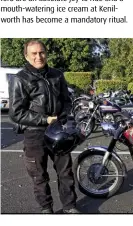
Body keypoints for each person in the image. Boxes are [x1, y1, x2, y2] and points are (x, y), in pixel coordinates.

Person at [8, 40, 81, 214]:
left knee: (65, 173)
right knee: (39, 176)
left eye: (41, 52)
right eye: (33, 54)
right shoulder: (20, 78)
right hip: (34, 134)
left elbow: (66, 101)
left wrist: (63, 118)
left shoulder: (57, 74)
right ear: (26, 56)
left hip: (58, 132)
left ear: (46, 53)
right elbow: (16, 113)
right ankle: (46, 209)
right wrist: (45, 119)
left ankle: (70, 207)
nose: (38, 57)